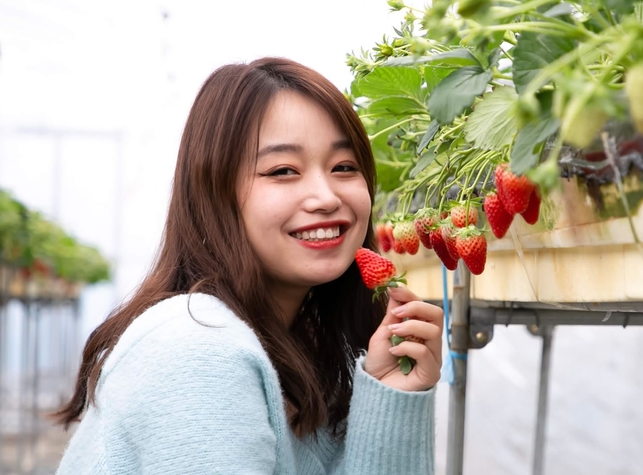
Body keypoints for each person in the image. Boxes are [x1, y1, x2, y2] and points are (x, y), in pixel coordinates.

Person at [53, 57, 443, 474]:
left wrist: (393, 397)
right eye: (282, 171)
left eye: (343, 167)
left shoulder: (306, 350)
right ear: (215, 194)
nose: (326, 196)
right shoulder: (199, 348)